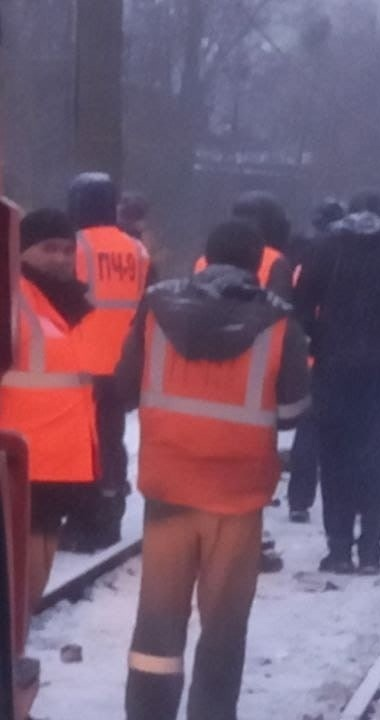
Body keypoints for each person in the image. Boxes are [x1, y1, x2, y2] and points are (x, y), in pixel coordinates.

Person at [115, 219, 310, 720]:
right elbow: (291, 413)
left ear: (205, 256)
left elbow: (123, 387)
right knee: (223, 624)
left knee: (158, 621)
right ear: (256, 263)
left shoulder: (156, 307)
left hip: (168, 488)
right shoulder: (280, 323)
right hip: (238, 496)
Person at [295, 192, 380, 574]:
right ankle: (371, 549)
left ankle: (338, 548)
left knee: (334, 457)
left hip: (333, 369)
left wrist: (319, 339)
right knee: (376, 456)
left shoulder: (326, 249)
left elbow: (301, 304)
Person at [0, 209, 98, 623]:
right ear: (22, 252)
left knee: (29, 589)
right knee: (19, 589)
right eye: (48, 249)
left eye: (66, 249)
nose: (60, 258)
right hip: (21, 465)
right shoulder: (13, 302)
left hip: (56, 465)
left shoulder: (65, 304)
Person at [61, 173, 152, 553]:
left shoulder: (73, 247)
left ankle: (88, 522)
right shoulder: (137, 250)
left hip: (81, 364)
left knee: (85, 445)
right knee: (112, 440)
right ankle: (111, 511)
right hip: (124, 362)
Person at [286, 198, 346, 525]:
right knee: (329, 431)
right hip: (330, 353)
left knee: (304, 431)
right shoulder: (341, 258)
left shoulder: (298, 255)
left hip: (299, 349)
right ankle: (336, 502)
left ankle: (298, 499)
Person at [195, 191, 295, 302]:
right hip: (252, 318)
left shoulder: (202, 260)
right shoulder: (276, 261)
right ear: (276, 226)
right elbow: (281, 312)